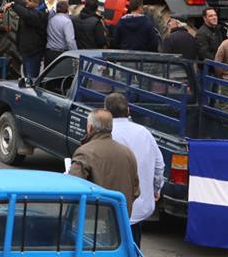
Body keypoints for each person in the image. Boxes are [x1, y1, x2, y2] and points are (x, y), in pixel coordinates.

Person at [105, 93, 164, 249]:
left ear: (106, 112)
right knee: (134, 244)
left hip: (112, 205)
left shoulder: (106, 135)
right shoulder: (144, 132)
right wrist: (156, 189)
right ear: (129, 110)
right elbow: (159, 165)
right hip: (139, 205)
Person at [68, 109, 140, 223]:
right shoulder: (128, 153)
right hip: (121, 220)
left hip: (94, 220)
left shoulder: (84, 152)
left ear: (90, 128)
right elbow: (136, 190)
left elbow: (73, 187)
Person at [8, 0, 47, 80]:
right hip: (27, 51)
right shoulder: (33, 9)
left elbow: (27, 16)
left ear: (36, 3)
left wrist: (14, 5)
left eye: (29, 0)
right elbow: (24, 5)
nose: (26, 1)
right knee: (26, 76)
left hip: (33, 52)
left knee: (30, 78)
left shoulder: (39, 14)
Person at [44, 0, 76, 65]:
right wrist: (75, 53)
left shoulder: (51, 19)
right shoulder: (67, 21)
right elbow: (70, 40)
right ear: (67, 9)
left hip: (49, 53)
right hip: (61, 54)